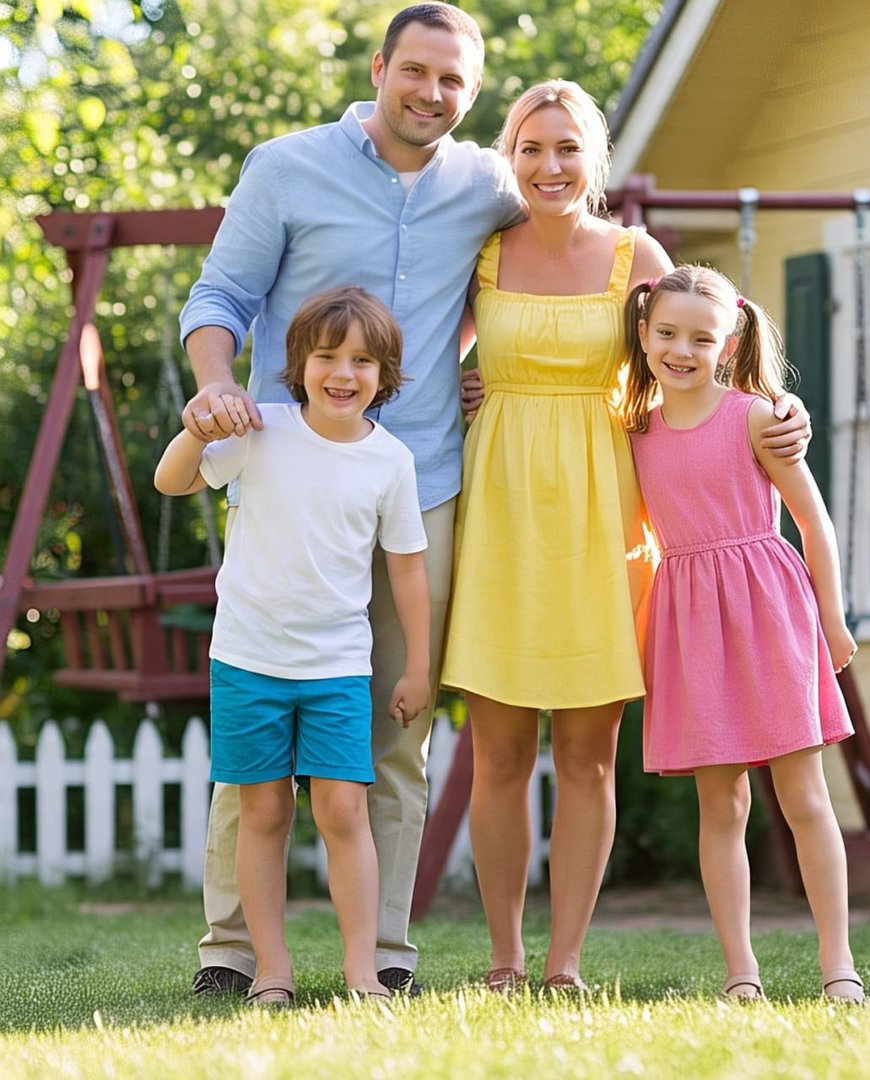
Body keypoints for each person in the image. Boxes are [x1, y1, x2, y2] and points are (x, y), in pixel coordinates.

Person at [176, 3, 524, 996]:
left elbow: (557, 248)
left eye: (453, 81)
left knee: (400, 720)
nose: (431, 93)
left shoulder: (488, 186)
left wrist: (472, 364)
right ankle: (231, 953)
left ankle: (387, 954)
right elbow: (220, 302)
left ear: (472, 94)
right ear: (379, 67)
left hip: (426, 479)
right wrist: (214, 385)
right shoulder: (285, 167)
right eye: (415, 71)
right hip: (293, 480)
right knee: (261, 720)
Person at [440, 82, 813, 993]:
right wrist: (453, 392)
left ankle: (563, 963)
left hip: (606, 515)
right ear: (509, 156)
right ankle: (504, 958)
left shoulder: (635, 254)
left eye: (567, 148)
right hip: (498, 508)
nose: (549, 166)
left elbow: (696, 351)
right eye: (530, 148)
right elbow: (420, 359)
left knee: (585, 751)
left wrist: (778, 406)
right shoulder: (481, 254)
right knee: (495, 750)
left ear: (594, 160)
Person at [156, 286, 431, 1005]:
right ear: (299, 363)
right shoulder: (258, 431)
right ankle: (270, 972)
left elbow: (406, 567)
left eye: (364, 361)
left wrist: (421, 667)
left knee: (343, 810)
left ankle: (362, 973)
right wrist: (196, 426)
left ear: (386, 374)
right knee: (264, 812)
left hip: (338, 667)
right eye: (328, 356)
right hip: (248, 662)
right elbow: (171, 480)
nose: (344, 373)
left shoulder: (391, 461)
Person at [622, 265, 864, 1003]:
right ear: (643, 334)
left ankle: (838, 965)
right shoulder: (634, 431)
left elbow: (812, 520)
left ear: (728, 345)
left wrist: (832, 618)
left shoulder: (757, 416)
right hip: (689, 620)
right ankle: (741, 973)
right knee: (721, 804)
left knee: (804, 797)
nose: (682, 350)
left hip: (768, 606)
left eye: (701, 338)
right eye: (667, 333)